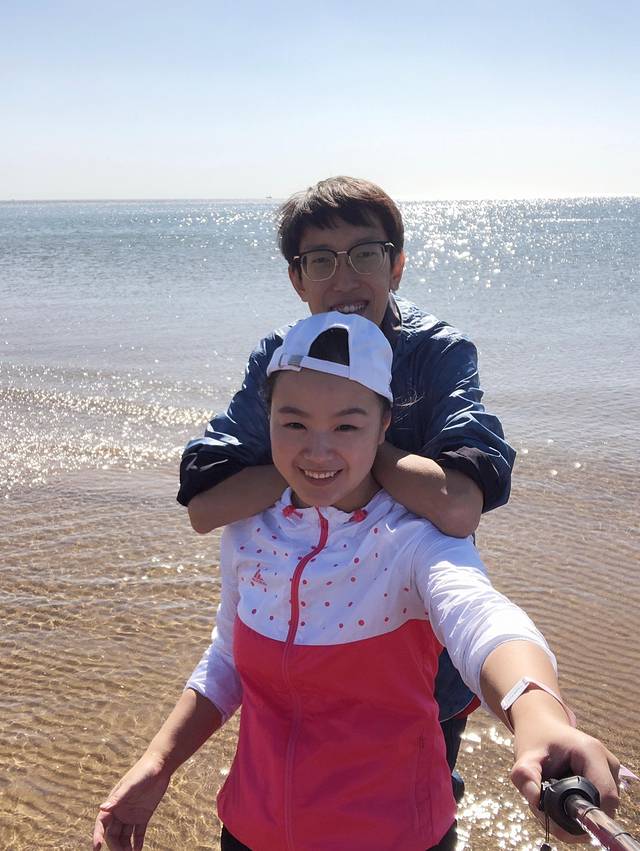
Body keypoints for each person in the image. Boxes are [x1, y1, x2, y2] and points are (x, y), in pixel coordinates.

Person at [94, 313, 620, 851]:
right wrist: (158, 763)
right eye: (293, 424)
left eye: (346, 426)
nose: (318, 452)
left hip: (396, 836)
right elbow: (228, 656)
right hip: (250, 830)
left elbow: (480, 617)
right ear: (267, 419)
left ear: (384, 426)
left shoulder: (414, 538)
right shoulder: (250, 529)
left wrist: (537, 711)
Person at [177, 176, 517, 782]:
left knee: (422, 792)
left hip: (415, 639)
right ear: (297, 278)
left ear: (397, 265)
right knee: (289, 791)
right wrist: (332, 460)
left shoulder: (436, 353)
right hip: (300, 639)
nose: (344, 279)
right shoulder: (281, 358)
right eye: (321, 260)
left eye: (365, 254)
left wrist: (349, 450)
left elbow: (459, 505)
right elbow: (206, 506)